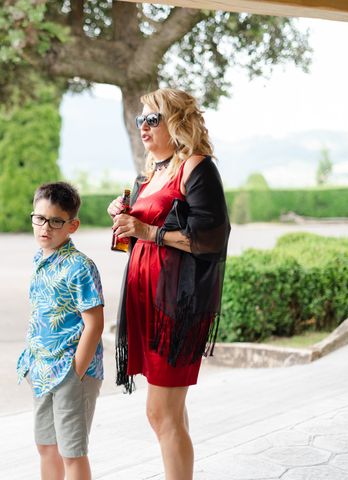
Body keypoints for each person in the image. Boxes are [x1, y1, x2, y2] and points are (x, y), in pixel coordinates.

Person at [108, 87, 230, 480]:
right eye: (141, 119)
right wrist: (126, 216)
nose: (143, 126)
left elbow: (211, 238)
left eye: (152, 119)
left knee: (159, 413)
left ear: (176, 122)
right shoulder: (152, 173)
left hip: (177, 306)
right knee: (170, 412)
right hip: (147, 302)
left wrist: (147, 230)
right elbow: (143, 231)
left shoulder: (197, 168)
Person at [16, 182, 105, 480]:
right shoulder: (40, 258)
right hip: (41, 369)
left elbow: (94, 323)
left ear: (72, 225)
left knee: (72, 451)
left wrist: (76, 371)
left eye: (56, 221)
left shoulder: (80, 266)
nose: (45, 227)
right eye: (39, 218)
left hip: (70, 371)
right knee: (46, 447)